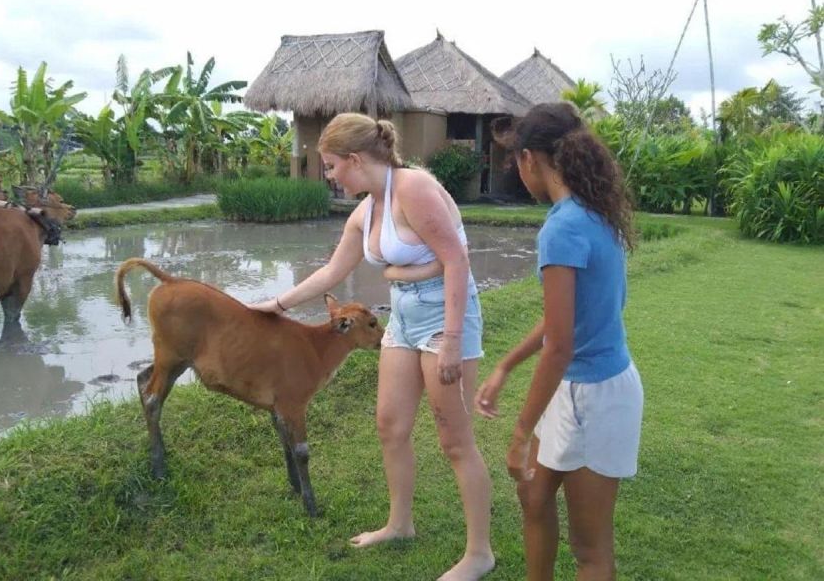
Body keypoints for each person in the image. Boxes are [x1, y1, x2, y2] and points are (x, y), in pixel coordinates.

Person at [250, 113, 495, 581]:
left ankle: (479, 553)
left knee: (454, 440)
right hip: (402, 319)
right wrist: (275, 304)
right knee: (389, 424)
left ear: (355, 160)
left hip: (446, 317)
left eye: (330, 165)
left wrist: (451, 341)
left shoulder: (414, 189)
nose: (328, 175)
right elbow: (330, 274)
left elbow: (457, 260)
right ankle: (399, 524)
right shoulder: (367, 210)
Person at [474, 103, 644, 581]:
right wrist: (506, 364)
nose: (517, 172)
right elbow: (558, 321)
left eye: (515, 163)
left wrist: (520, 432)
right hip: (578, 392)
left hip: (595, 395)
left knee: (590, 550)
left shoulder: (564, 227)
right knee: (533, 494)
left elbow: (561, 345)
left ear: (530, 159)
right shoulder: (591, 213)